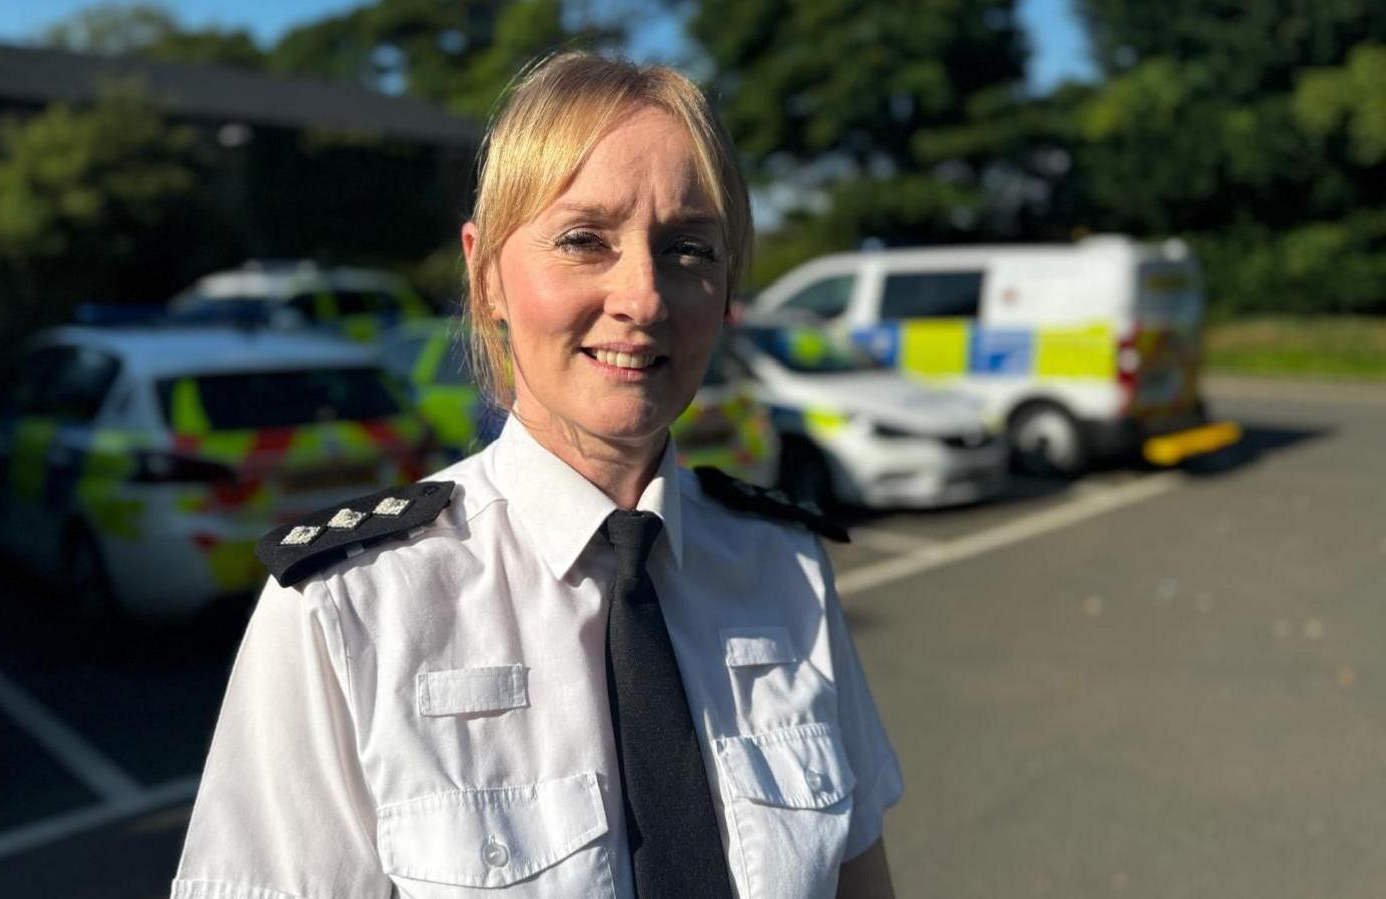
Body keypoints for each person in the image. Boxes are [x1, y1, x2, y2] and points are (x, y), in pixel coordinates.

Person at [171, 51, 903, 899]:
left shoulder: (786, 567)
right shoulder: (350, 611)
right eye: (584, 239)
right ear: (486, 276)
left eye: (689, 247)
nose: (644, 296)